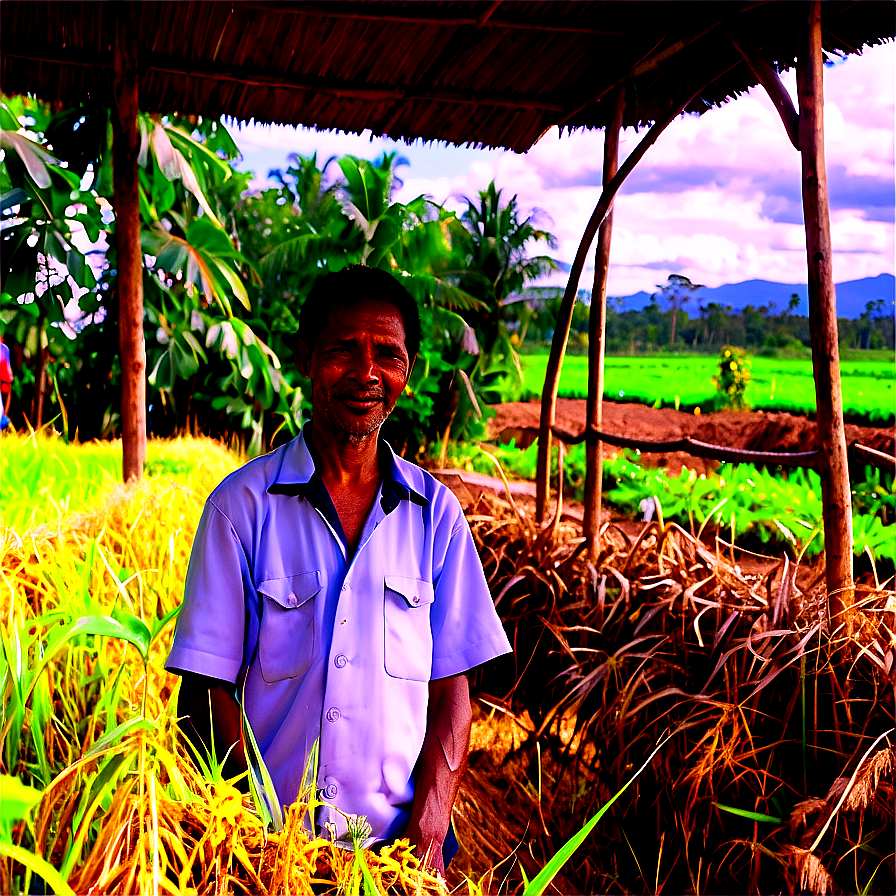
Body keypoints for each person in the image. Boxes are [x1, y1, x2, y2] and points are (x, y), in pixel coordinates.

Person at [165, 265, 511, 873]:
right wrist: (258, 835)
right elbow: (204, 687)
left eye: (388, 355)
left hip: (401, 861)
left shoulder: (436, 518)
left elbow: (453, 683)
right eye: (343, 350)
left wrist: (429, 833)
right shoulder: (242, 508)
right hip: (266, 856)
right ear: (306, 357)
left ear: (408, 371)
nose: (366, 373)